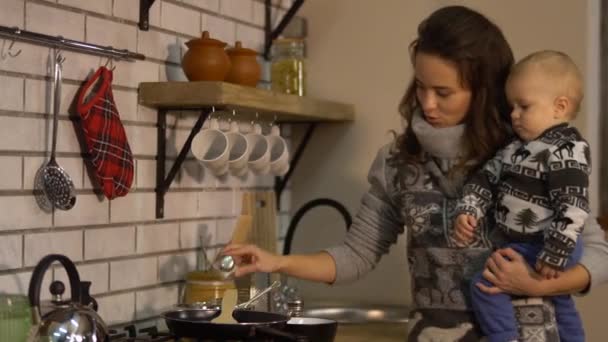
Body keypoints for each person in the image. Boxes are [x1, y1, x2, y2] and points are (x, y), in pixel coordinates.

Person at [223, 6, 608, 341]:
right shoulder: (396, 161)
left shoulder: (529, 153)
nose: (427, 103)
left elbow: (599, 254)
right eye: (421, 86)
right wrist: (276, 262)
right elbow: (355, 254)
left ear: (484, 92)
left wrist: (535, 282)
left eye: (443, 92)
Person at [453, 50, 589, 342]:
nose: (514, 115)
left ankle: (505, 337)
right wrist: (470, 209)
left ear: (559, 106)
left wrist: (555, 252)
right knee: (560, 299)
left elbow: (573, 205)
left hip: (547, 242)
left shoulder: (567, 150)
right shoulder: (515, 149)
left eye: (523, 106)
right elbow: (485, 178)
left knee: (485, 282)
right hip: (530, 242)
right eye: (512, 106)